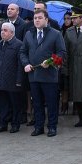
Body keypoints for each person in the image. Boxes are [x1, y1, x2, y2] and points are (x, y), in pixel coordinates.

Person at [20, 8, 66, 137]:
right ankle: (38, 127)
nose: (37, 20)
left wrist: (51, 61)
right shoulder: (29, 34)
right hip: (33, 75)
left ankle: (52, 127)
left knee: (51, 103)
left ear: (46, 19)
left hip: (49, 76)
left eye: (40, 18)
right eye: (35, 18)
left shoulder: (56, 34)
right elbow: (23, 52)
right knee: (37, 103)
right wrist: (26, 64)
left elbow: (62, 53)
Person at [0, 22, 24, 133]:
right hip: (1, 80)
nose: (2, 32)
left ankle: (15, 124)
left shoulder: (18, 44)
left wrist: (19, 80)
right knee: (3, 104)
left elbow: (20, 64)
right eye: (1, 30)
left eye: (5, 30)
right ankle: (2, 124)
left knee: (15, 104)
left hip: (13, 81)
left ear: (12, 32)